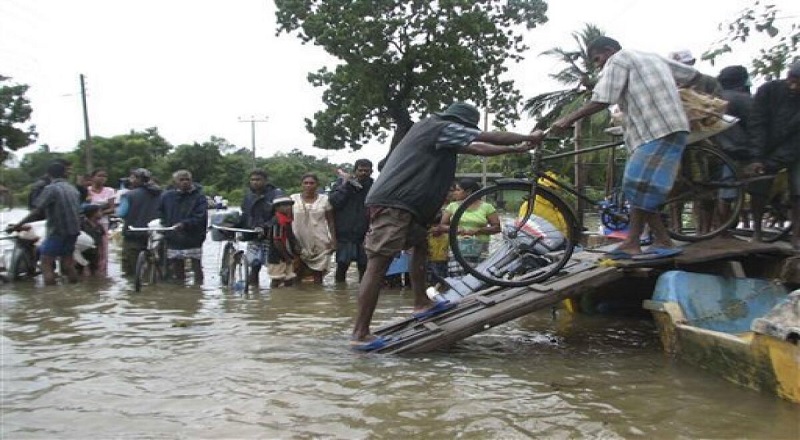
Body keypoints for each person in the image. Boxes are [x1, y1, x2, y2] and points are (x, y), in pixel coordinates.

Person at [350, 102, 545, 348]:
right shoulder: (438, 127)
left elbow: (478, 148)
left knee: (421, 248)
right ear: (460, 123)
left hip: (409, 208)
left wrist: (516, 149)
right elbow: (485, 136)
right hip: (394, 205)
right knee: (378, 266)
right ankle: (360, 333)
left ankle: (421, 303)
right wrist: (529, 136)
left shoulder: (437, 132)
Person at [552, 36, 700, 259]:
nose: (599, 65)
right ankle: (633, 241)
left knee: (635, 183)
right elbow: (690, 75)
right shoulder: (652, 57)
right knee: (640, 187)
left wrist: (568, 119)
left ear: (609, 50)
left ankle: (662, 241)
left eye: (598, 59)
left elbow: (603, 99)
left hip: (657, 129)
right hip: (667, 127)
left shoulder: (618, 60)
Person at [746, 61, 800, 248]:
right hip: (766, 145)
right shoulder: (768, 90)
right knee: (758, 188)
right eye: (792, 81)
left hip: (795, 151)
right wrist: (757, 157)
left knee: (798, 190)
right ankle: (757, 232)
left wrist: (774, 162)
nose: (794, 87)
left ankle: (797, 235)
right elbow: (757, 123)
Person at [8, 161, 81, 285]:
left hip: (57, 231)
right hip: (73, 231)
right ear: (64, 174)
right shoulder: (72, 188)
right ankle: (75, 290)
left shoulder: (50, 189)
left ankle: (50, 297)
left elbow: (36, 211)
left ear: (48, 174)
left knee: (45, 263)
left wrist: (18, 225)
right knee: (68, 263)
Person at [439, 178, 501, 275]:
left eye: (458, 190)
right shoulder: (452, 206)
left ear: (468, 192)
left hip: (480, 249)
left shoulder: (487, 207)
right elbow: (442, 226)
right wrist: (455, 229)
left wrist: (478, 231)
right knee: (457, 277)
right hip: (457, 247)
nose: (454, 193)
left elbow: (497, 228)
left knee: (479, 277)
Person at [159, 170, 208, 284]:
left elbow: (200, 216)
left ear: (191, 181)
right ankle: (180, 290)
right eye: (181, 180)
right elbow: (160, 212)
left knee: (196, 265)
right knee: (177, 267)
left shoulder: (199, 197)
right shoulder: (167, 196)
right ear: (175, 182)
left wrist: (184, 224)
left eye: (187, 179)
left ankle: (198, 290)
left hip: (193, 236)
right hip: (173, 236)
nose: (185, 182)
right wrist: (164, 224)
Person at [329, 159, 374, 282]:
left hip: (366, 234)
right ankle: (340, 296)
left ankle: (363, 296)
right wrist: (346, 185)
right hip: (345, 234)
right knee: (342, 266)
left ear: (371, 172)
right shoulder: (342, 184)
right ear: (355, 171)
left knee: (365, 268)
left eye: (367, 170)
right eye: (360, 170)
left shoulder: (374, 187)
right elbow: (334, 202)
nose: (363, 173)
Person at [239, 169, 285, 285]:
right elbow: (245, 215)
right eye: (252, 180)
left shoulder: (276, 194)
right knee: (254, 265)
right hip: (253, 234)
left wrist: (266, 226)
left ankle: (274, 296)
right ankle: (254, 296)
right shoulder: (248, 196)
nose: (255, 182)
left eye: (258, 180)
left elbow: (280, 214)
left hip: (272, 235)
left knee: (274, 268)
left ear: (265, 181)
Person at [291, 173, 336, 284]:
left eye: (312, 183)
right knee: (297, 272)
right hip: (298, 241)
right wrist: (290, 241)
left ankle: (318, 297)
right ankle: (297, 300)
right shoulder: (293, 199)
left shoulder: (324, 199)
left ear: (317, 185)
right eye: (305, 183)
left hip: (320, 241)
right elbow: (287, 221)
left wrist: (334, 240)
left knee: (318, 274)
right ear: (301, 185)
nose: (308, 185)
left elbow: (330, 221)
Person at [117, 168, 163, 275]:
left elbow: (121, 213)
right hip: (155, 234)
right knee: (157, 264)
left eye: (132, 177)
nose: (130, 180)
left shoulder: (128, 195)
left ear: (138, 179)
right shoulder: (162, 194)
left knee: (131, 269)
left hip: (133, 234)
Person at [86, 168, 116, 276]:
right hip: (87, 225)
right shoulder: (87, 190)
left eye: (104, 176)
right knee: (88, 247)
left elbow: (112, 209)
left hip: (103, 224)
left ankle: (102, 274)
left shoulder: (110, 191)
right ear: (93, 177)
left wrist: (98, 214)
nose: (102, 178)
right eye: (100, 176)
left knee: (103, 249)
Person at [266, 196, 299, 288]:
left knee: (289, 278)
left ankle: (286, 298)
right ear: (277, 208)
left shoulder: (286, 219)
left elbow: (290, 235)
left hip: (287, 254)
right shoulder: (278, 220)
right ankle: (275, 298)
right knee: (276, 278)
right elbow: (277, 240)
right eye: (284, 206)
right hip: (278, 256)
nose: (288, 207)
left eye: (289, 205)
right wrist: (286, 257)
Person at [77, 204, 105, 277]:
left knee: (95, 275)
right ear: (93, 213)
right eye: (99, 211)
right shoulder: (81, 225)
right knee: (81, 275)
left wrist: (102, 257)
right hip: (82, 254)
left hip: (94, 255)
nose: (102, 213)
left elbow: (101, 243)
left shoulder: (99, 226)